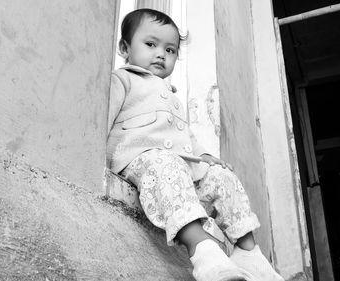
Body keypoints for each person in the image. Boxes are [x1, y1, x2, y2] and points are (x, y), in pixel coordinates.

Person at [107, 8, 284, 281]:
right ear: (124, 47)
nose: (161, 54)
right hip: (144, 162)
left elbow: (186, 138)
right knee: (166, 164)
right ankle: (203, 250)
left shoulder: (172, 97)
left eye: (170, 50)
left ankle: (248, 252)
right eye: (151, 44)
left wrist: (204, 156)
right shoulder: (122, 80)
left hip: (177, 175)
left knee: (222, 176)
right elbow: (102, 119)